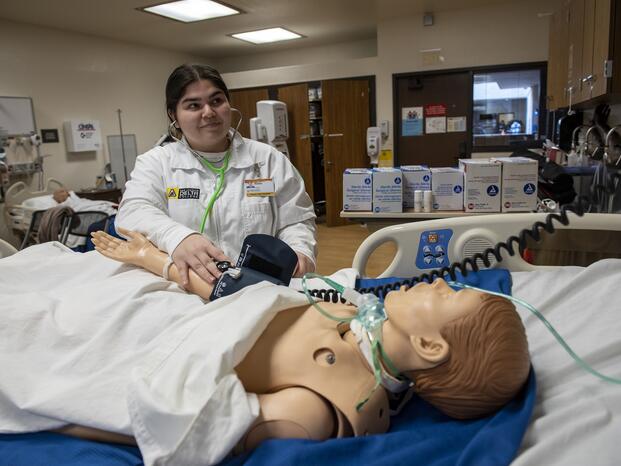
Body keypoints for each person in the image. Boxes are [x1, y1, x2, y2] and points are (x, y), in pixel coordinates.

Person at [115, 64, 316, 288]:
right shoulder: (157, 163)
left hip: (260, 286)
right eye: (193, 105)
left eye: (217, 101)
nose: (209, 112)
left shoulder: (267, 159)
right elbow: (132, 211)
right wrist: (178, 237)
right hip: (187, 290)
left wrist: (300, 251)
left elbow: (296, 219)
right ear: (174, 115)